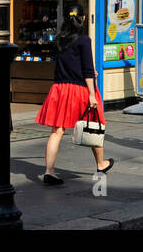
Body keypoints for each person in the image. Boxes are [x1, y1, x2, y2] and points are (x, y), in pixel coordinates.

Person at [36, 12, 113, 184]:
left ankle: (49, 171)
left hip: (60, 89)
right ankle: (100, 164)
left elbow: (67, 63)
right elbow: (86, 69)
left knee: (57, 131)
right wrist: (92, 94)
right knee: (94, 125)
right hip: (80, 90)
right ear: (83, 19)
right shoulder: (84, 40)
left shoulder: (59, 39)